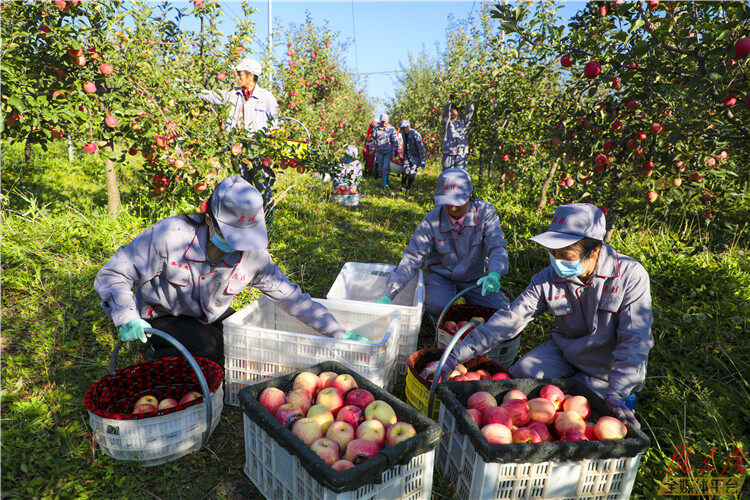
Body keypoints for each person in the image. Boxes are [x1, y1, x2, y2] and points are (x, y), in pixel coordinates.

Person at [95, 176, 364, 364]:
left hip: (209, 315)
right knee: (210, 347)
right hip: (164, 314)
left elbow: (291, 297)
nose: (237, 247)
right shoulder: (171, 235)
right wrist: (127, 316)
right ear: (210, 219)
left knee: (249, 342)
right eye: (232, 235)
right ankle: (156, 353)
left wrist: (337, 331)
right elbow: (116, 273)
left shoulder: (254, 256)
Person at [438, 204, 653, 428]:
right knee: (521, 376)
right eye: (553, 253)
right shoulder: (548, 278)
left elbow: (635, 340)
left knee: (591, 414)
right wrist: (455, 356)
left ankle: (611, 394)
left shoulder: (630, 276)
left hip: (606, 369)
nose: (557, 261)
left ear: (595, 250)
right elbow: (510, 319)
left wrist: (618, 390)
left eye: (565, 255)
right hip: (567, 352)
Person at [375, 168, 509, 317]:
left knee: (501, 310)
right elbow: (413, 257)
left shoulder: (485, 212)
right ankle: (442, 312)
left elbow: (497, 245)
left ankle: (473, 304)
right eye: (447, 202)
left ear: (470, 195)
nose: (452, 207)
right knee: (436, 306)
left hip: (477, 277)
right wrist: (390, 293)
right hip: (443, 277)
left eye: (457, 202)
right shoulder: (431, 221)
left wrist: (495, 273)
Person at [198, 58, 280, 225]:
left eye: (241, 73)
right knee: (242, 183)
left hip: (256, 146)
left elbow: (277, 121)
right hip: (237, 145)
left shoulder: (266, 97)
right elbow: (213, 96)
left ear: (251, 76)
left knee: (261, 182)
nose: (237, 76)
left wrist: (267, 136)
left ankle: (269, 219)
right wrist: (191, 91)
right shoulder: (232, 94)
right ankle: (246, 219)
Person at [441, 96, 474, 170]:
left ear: (458, 112)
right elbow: (445, 114)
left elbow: (470, 112)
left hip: (461, 153)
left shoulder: (463, 122)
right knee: (447, 173)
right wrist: (449, 101)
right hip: (449, 152)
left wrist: (469, 98)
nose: (452, 112)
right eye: (451, 111)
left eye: (454, 110)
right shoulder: (447, 123)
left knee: (460, 175)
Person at [371, 113, 399, 188]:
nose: (384, 123)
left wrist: (396, 149)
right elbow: (374, 137)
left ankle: (385, 185)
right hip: (379, 151)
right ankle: (385, 180)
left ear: (388, 120)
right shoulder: (377, 128)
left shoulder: (391, 129)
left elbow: (394, 140)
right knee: (381, 168)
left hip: (388, 151)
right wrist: (372, 129)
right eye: (382, 122)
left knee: (385, 167)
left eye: (385, 122)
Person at [399, 119, 425, 194]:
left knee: (412, 173)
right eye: (403, 128)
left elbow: (420, 148)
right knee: (405, 171)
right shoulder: (403, 134)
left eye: (406, 127)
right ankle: (402, 186)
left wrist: (422, 160)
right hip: (407, 156)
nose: (405, 129)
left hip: (415, 157)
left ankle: (408, 187)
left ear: (409, 126)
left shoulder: (415, 134)